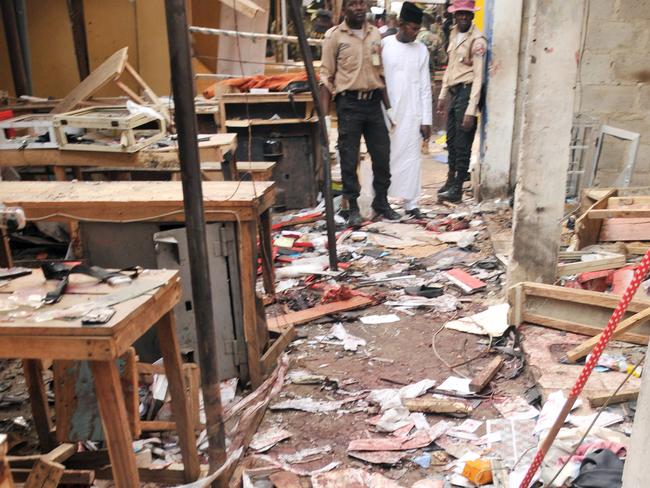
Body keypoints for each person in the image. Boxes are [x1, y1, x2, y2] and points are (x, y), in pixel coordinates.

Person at [320, 0, 401, 226]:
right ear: (345, 9)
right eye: (352, 4)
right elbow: (326, 77)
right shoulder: (334, 36)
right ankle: (353, 206)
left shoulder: (375, 34)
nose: (358, 8)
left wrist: (389, 109)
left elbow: (380, 73)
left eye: (361, 3)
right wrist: (325, 119)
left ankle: (381, 203)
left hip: (374, 103)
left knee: (382, 155)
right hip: (349, 105)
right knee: (348, 157)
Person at [382, 2, 432, 219]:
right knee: (384, 157)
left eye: (418, 29)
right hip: (387, 112)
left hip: (413, 113)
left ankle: (411, 203)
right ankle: (382, 201)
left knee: (412, 158)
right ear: (401, 24)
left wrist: (426, 119)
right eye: (412, 28)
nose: (416, 33)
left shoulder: (421, 50)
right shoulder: (384, 45)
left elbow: (425, 86)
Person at [436, 0, 486, 203]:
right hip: (455, 92)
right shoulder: (454, 34)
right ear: (454, 16)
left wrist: (470, 110)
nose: (463, 17)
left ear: (472, 15)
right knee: (451, 141)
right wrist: (442, 95)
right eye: (460, 14)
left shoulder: (478, 40)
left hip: (467, 93)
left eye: (467, 14)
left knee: (463, 143)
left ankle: (457, 188)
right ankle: (450, 180)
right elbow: (449, 69)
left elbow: (479, 76)